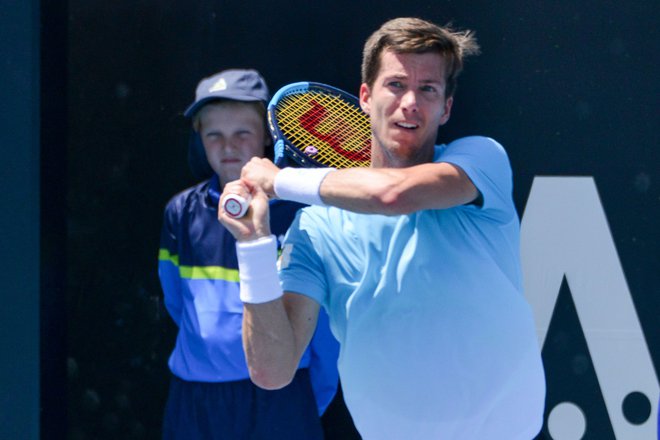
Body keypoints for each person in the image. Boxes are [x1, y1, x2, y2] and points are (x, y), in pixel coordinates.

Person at [219, 18, 546, 439]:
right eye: (395, 85)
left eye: (428, 88)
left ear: (446, 107)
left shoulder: (481, 161)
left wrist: (278, 181)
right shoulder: (317, 229)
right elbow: (272, 371)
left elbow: (393, 196)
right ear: (365, 97)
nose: (410, 101)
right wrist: (253, 246)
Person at [158, 68, 340, 440]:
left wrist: (303, 400)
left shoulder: (301, 213)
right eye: (214, 135)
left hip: (283, 396)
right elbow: (177, 304)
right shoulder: (179, 212)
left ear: (266, 136)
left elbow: (321, 329)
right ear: (198, 140)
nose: (228, 146)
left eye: (242, 133)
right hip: (197, 400)